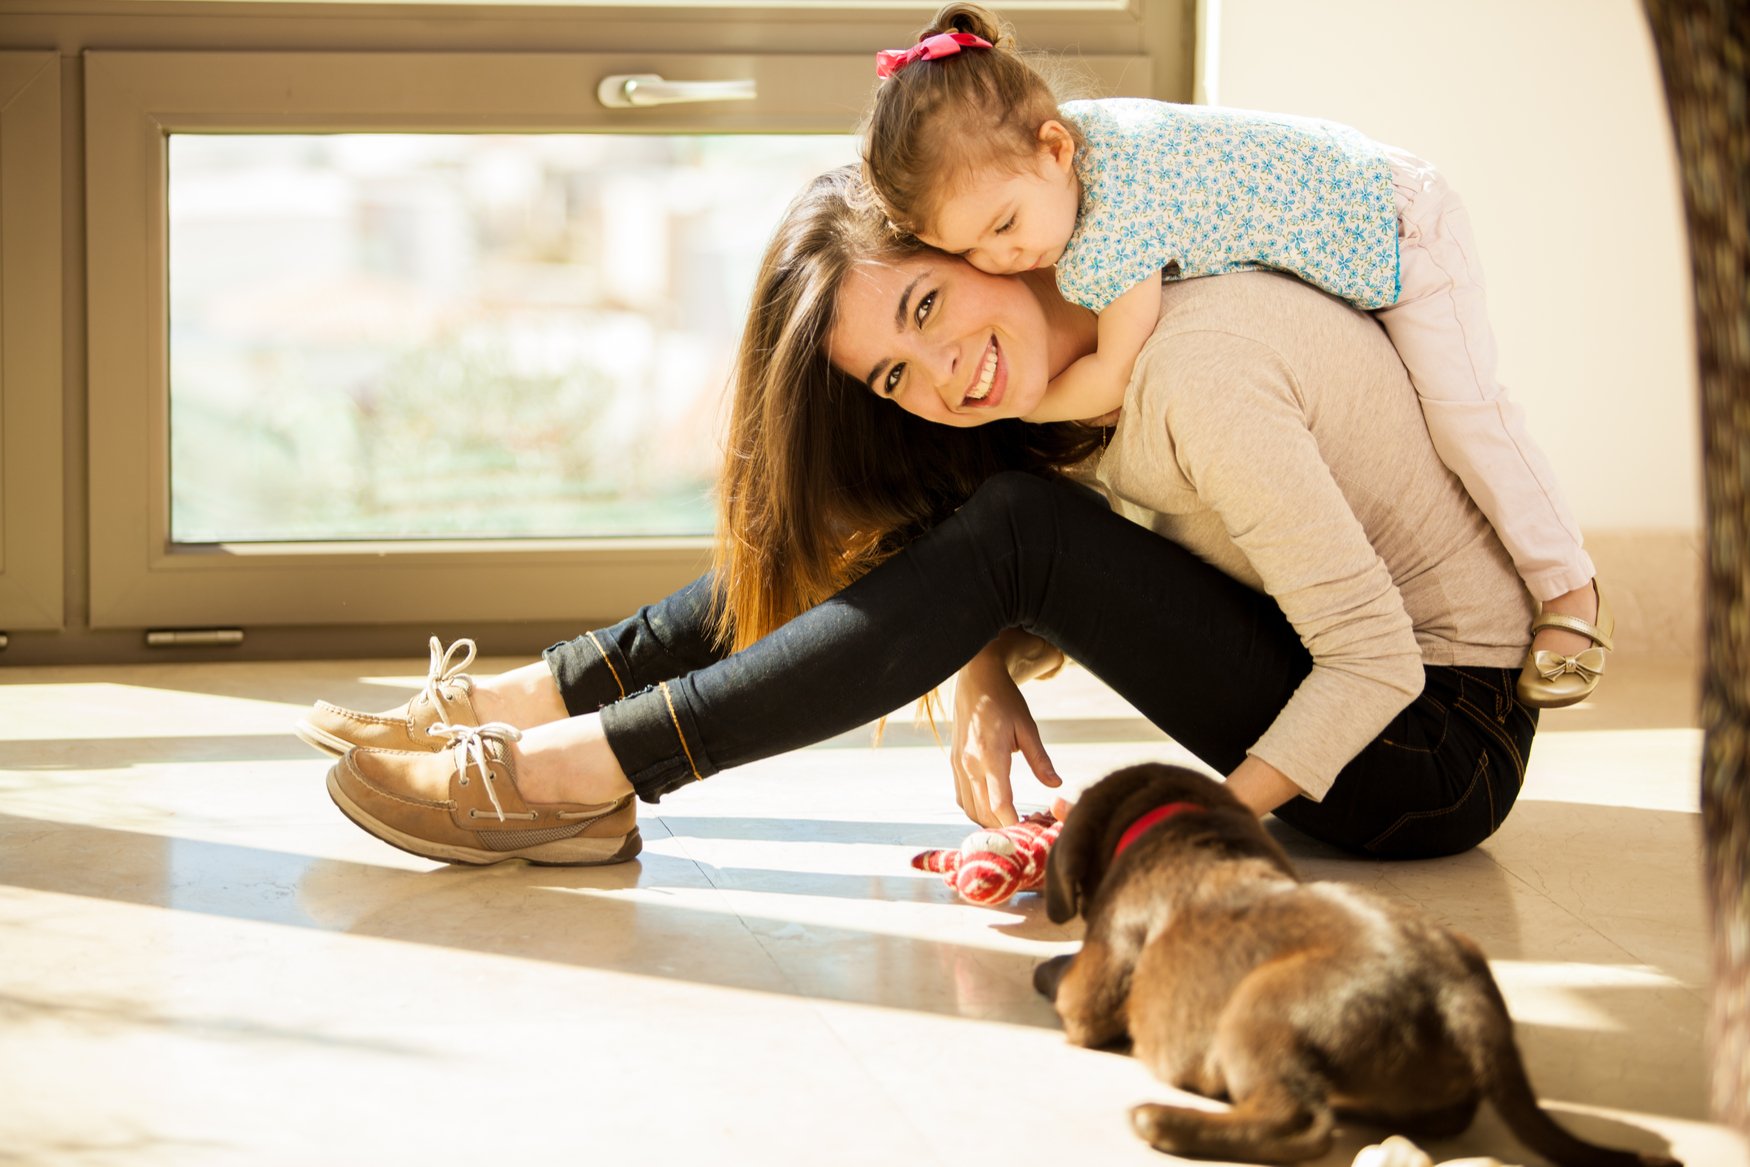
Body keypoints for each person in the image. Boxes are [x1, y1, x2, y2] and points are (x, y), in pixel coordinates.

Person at [297, 164, 1539, 871]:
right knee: (971, 520)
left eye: (928, 305)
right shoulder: (1081, 350)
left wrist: (1168, 832)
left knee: (1009, 529)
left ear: (979, 241)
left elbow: (1371, 657)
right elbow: (993, 547)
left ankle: (580, 772)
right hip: (1373, 692)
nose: (942, 372)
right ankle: (542, 701)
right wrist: (982, 666)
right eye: (897, 371)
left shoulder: (1196, 369)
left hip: (1433, 746)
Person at [858, 2, 1613, 709]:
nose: (1006, 258)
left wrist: (1018, 403)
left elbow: (1112, 374)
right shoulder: (1050, 156)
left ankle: (1569, 589)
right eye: (972, 252)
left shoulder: (1118, 214)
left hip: (1404, 226)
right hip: (1359, 215)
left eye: (1005, 226)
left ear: (1056, 146)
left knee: (1466, 415)